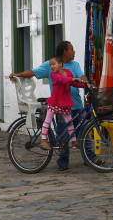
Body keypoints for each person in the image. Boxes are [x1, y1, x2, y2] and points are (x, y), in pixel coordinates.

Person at [9, 40, 89, 171]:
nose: (74, 52)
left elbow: (81, 77)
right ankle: (62, 161)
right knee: (63, 135)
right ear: (65, 52)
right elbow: (33, 72)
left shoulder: (74, 65)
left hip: (76, 104)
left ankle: (90, 158)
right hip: (60, 105)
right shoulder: (52, 66)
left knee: (85, 131)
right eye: (72, 50)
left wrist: (86, 83)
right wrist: (18, 74)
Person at [40, 56, 87, 150]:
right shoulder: (54, 75)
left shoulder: (68, 73)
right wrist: (72, 79)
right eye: (50, 65)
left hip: (65, 103)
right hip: (55, 102)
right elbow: (62, 79)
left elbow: (73, 83)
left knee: (70, 123)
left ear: (60, 64)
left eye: (54, 64)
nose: (52, 67)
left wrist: (85, 85)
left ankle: (74, 141)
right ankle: (43, 141)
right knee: (47, 120)